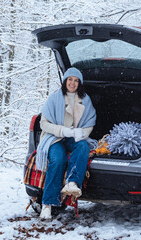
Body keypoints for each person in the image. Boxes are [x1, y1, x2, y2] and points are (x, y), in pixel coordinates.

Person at [35, 67, 96, 220]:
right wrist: (63, 131)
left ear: (79, 83)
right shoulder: (55, 98)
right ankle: (47, 204)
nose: (73, 83)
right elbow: (44, 123)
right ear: (65, 81)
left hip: (73, 138)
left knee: (83, 146)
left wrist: (81, 133)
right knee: (58, 159)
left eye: (76, 81)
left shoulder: (85, 100)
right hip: (54, 138)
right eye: (70, 79)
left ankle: (73, 183)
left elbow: (90, 122)